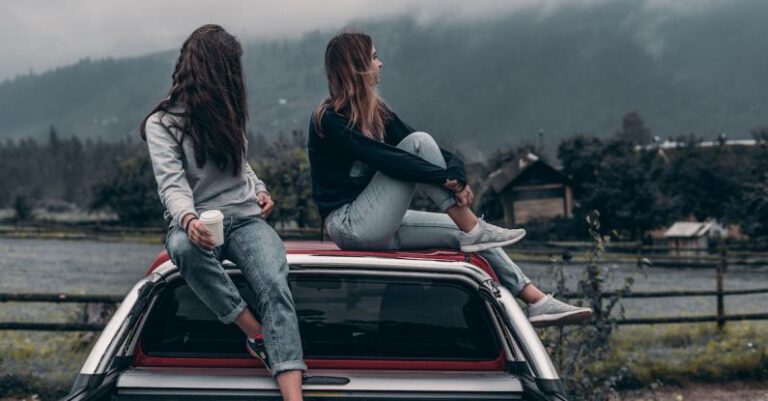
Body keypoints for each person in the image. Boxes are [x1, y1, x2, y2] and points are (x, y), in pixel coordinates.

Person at [308, 31, 592, 326]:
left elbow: (433, 151)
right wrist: (444, 178)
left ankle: (537, 300)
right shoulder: (328, 119)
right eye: (374, 57)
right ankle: (473, 227)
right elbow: (388, 159)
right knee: (419, 143)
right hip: (349, 225)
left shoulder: (377, 112)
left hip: (378, 222)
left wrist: (456, 173)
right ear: (358, 66)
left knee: (464, 235)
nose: (381, 64)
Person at [141, 25, 304, 401]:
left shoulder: (227, 113)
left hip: (246, 218)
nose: (237, 76)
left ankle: (293, 397)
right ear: (214, 69)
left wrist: (261, 189)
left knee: (275, 284)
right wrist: (189, 220)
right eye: (232, 67)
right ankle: (257, 334)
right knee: (181, 249)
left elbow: (242, 166)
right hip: (197, 221)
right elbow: (172, 185)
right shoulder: (162, 123)